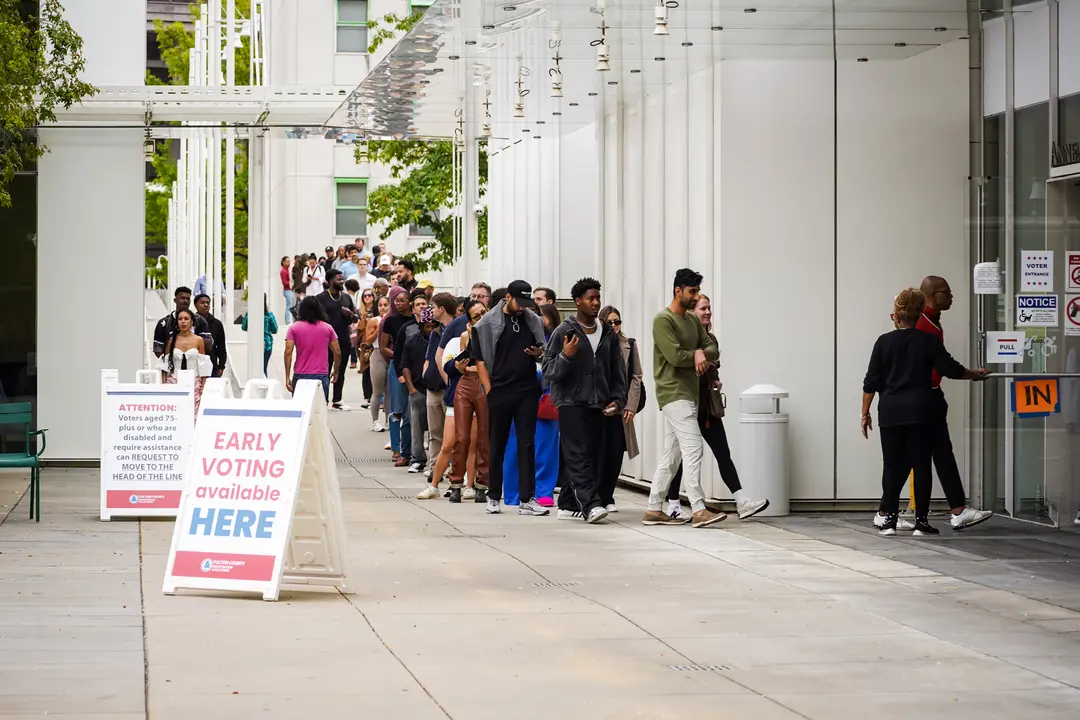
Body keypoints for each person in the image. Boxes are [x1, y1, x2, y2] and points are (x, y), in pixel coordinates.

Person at [862, 288, 989, 536]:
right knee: (921, 465)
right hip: (922, 410)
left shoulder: (883, 342)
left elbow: (871, 382)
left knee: (891, 465)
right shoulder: (928, 341)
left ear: (896, 315)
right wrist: (975, 374)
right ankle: (921, 522)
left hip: (890, 411)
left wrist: (864, 413)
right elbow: (951, 369)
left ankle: (889, 521)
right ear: (920, 313)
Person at [665, 294, 771, 521]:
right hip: (685, 404)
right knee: (680, 457)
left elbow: (712, 363)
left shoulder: (709, 339)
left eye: (709, 309)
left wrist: (714, 378)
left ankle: (742, 502)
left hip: (706, 407)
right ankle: (673, 504)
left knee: (723, 452)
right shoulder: (684, 339)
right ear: (691, 312)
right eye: (703, 308)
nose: (707, 312)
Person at [902, 275, 994, 531]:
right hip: (925, 398)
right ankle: (886, 511)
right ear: (932, 295)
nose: (951, 296)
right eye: (947, 292)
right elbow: (944, 364)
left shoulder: (930, 321)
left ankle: (957, 509)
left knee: (936, 453)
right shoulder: (924, 325)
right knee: (925, 454)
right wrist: (974, 374)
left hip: (926, 397)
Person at [644, 268, 727, 529]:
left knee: (672, 455)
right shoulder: (663, 320)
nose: (695, 297)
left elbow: (713, 346)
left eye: (697, 292)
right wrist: (697, 356)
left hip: (689, 394)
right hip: (672, 392)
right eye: (691, 292)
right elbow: (674, 356)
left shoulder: (692, 321)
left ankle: (653, 508)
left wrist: (701, 352)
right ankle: (699, 509)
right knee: (694, 448)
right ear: (677, 290)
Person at [542, 278, 627, 524]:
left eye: (597, 298)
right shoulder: (564, 331)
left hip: (599, 404)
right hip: (571, 403)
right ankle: (590, 505)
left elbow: (617, 370)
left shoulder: (607, 332)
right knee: (579, 455)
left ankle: (568, 504)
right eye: (590, 298)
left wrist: (618, 399)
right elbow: (549, 372)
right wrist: (566, 356)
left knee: (593, 455)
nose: (595, 302)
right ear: (578, 301)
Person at [473, 281, 548, 516]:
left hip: (527, 390)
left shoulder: (532, 320)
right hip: (500, 391)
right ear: (507, 297)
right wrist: (489, 391)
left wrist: (540, 353)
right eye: (520, 303)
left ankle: (527, 499)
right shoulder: (487, 324)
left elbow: (545, 350)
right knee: (498, 444)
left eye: (528, 304)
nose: (523, 308)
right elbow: (481, 360)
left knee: (527, 444)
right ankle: (493, 495)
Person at [596, 305, 642, 515]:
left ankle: (608, 495)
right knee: (598, 453)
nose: (614, 326)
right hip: (598, 406)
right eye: (610, 322)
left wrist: (631, 405)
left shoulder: (629, 344)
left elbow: (636, 377)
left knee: (615, 454)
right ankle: (596, 496)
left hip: (620, 407)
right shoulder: (595, 344)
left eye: (617, 321)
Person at [443, 300, 490, 503]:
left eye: (484, 312)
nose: (482, 317)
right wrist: (463, 366)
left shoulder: (495, 334)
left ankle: (481, 484)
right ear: (469, 321)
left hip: (485, 383)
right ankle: (455, 483)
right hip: (466, 384)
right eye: (477, 316)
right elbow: (463, 366)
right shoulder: (465, 336)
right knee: (461, 437)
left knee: (484, 437)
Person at [421, 293, 458, 482]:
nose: (431, 310)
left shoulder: (456, 329)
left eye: (433, 307)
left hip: (449, 388)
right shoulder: (435, 331)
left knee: (451, 434)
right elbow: (431, 355)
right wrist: (425, 373)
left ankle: (452, 467)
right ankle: (434, 466)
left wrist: (449, 382)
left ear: (442, 308)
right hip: (433, 387)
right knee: (434, 431)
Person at [393, 291, 428, 469]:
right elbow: (399, 355)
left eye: (424, 304)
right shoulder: (407, 329)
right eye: (418, 305)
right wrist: (403, 378)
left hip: (433, 385)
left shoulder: (436, 328)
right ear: (413, 309)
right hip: (412, 382)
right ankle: (411, 456)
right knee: (410, 420)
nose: (422, 307)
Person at [379, 287, 414, 464]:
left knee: (411, 408)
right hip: (396, 365)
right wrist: (398, 355)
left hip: (413, 366)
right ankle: (396, 446)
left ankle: (409, 448)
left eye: (402, 300)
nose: (398, 303)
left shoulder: (417, 320)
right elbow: (383, 346)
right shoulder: (390, 320)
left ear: (410, 302)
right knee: (397, 408)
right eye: (396, 301)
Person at [316, 269, 358, 410]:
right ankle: (323, 400)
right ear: (329, 281)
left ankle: (337, 400)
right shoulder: (320, 298)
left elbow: (356, 318)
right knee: (325, 370)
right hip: (326, 340)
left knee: (340, 370)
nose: (342, 281)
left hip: (343, 338)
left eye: (342, 278)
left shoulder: (346, 297)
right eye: (338, 279)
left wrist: (350, 314)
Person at [402, 307, 437, 475]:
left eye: (433, 325)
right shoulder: (412, 341)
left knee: (436, 428)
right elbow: (405, 366)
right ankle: (417, 459)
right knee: (416, 427)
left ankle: (435, 461)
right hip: (417, 389)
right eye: (427, 326)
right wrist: (411, 389)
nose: (430, 329)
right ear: (422, 325)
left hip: (436, 389)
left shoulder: (440, 341)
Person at [158, 308, 212, 418]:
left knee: (193, 415)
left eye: (186, 319)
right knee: (174, 414)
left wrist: (203, 386)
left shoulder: (199, 340)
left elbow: (203, 365)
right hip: (174, 381)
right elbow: (164, 365)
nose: (183, 321)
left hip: (194, 383)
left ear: (192, 321)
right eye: (180, 319)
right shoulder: (172, 340)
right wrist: (164, 385)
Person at [285, 296, 340, 403]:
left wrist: (287, 376)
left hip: (300, 373)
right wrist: (336, 370)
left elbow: (288, 352)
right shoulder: (327, 328)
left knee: (300, 407)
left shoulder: (294, 328)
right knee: (319, 410)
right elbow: (337, 352)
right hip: (321, 373)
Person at [153, 286, 211, 358]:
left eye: (188, 299)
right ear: (175, 300)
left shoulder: (200, 321)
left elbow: (208, 346)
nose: (185, 301)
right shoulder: (164, 323)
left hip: (194, 364)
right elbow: (157, 348)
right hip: (172, 365)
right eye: (182, 298)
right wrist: (167, 363)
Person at [367, 294, 392, 432]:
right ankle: (375, 421)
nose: (383, 308)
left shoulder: (392, 320)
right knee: (377, 391)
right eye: (380, 305)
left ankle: (388, 420)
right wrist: (378, 329)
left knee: (389, 391)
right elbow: (368, 341)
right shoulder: (373, 321)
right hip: (377, 354)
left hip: (389, 355)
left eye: (385, 305)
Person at [241, 294, 279, 376]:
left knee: (254, 369)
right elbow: (275, 330)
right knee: (263, 369)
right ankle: (265, 386)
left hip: (254, 344)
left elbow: (244, 327)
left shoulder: (250, 314)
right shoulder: (269, 315)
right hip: (267, 344)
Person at [193, 294, 227, 378]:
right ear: (195, 305)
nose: (206, 305)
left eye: (208, 303)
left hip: (212, 367)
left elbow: (221, 346)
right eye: (202, 302)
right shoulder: (190, 322)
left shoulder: (217, 323)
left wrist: (221, 367)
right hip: (193, 366)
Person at [280, 256, 295, 325]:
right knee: (289, 305)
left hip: (290, 289)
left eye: (289, 261)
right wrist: (291, 281)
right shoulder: (283, 271)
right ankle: (288, 320)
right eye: (287, 261)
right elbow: (284, 283)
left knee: (290, 305)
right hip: (287, 290)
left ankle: (289, 320)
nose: (288, 263)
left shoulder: (288, 270)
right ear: (283, 262)